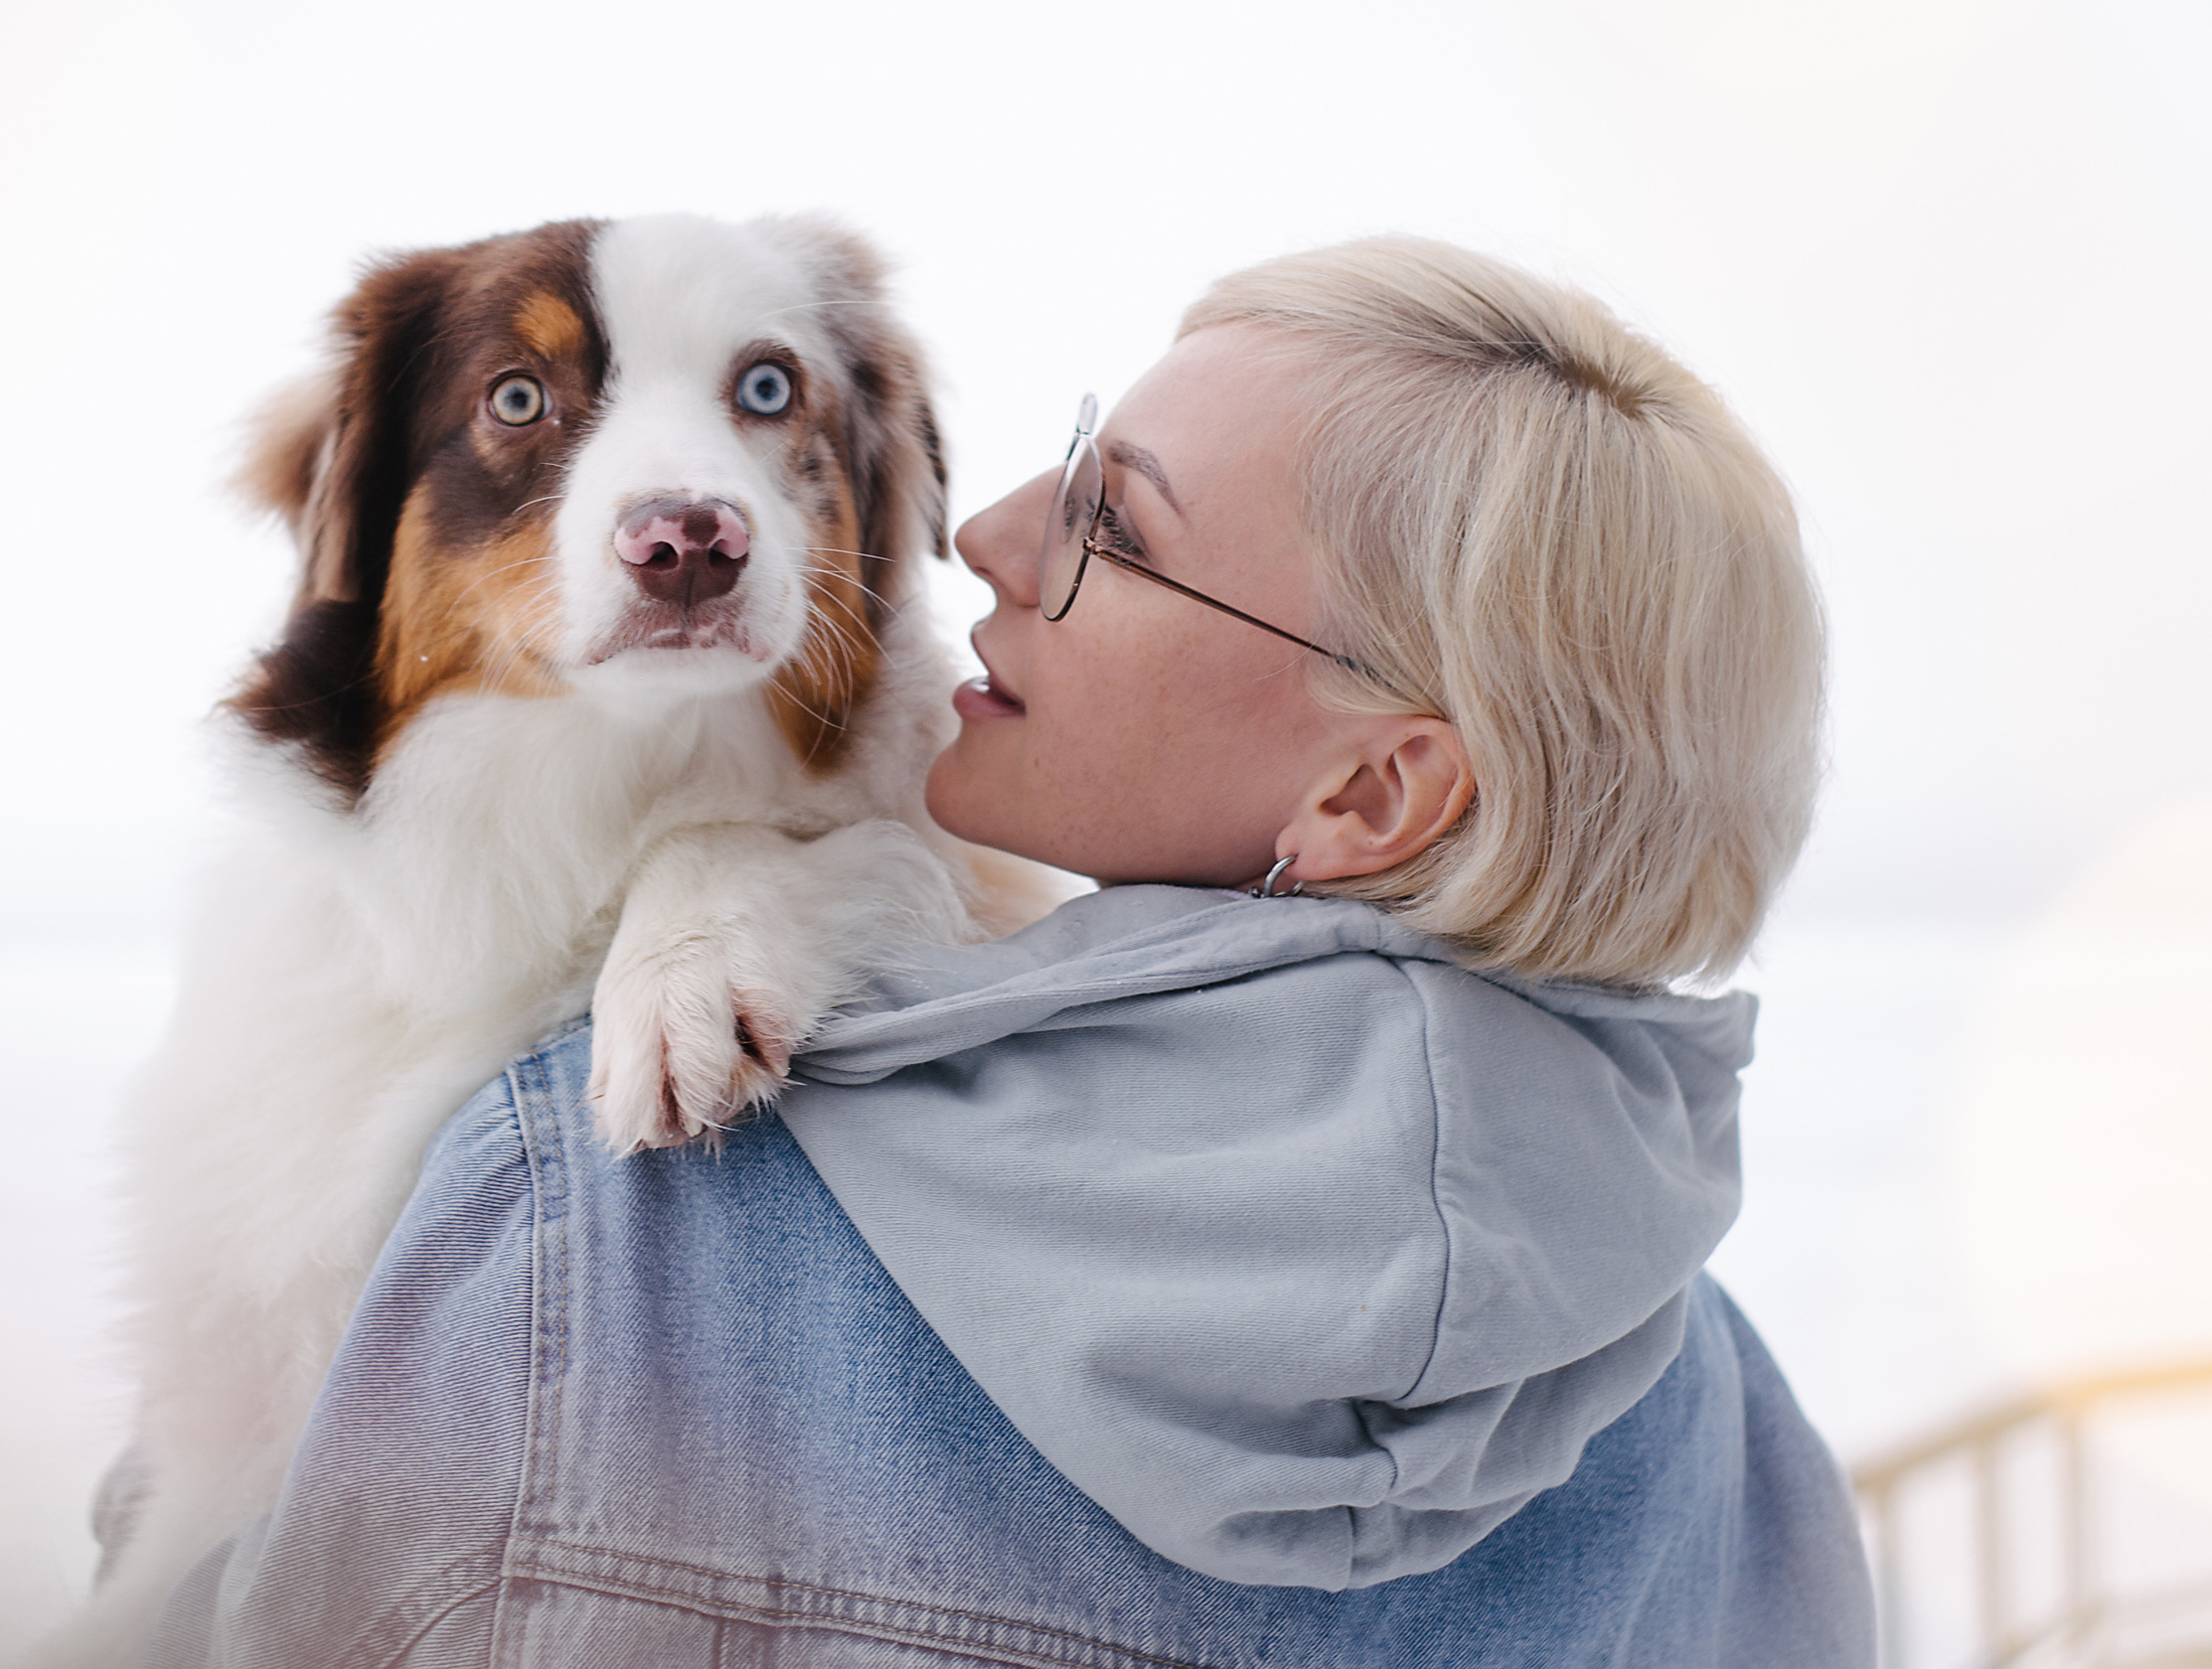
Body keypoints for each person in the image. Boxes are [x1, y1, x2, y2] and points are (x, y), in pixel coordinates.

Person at [138, 237, 1873, 1667]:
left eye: (1118, 526)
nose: (979, 538)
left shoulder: (600, 1225)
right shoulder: (1711, 1405)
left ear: (1372, 791)